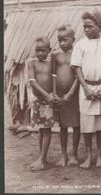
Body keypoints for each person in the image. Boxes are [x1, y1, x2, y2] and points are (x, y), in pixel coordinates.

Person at [71, 10, 101, 169]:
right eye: (84, 27)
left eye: (90, 26)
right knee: (87, 124)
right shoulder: (80, 45)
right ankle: (89, 155)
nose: (86, 29)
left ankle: (100, 155)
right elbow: (77, 68)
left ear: (100, 27)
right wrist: (86, 88)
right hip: (86, 89)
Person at [52, 25, 80, 167]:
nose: (61, 43)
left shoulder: (77, 53)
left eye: (65, 40)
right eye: (59, 40)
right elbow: (53, 76)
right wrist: (55, 93)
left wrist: (70, 93)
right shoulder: (55, 55)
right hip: (60, 97)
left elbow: (78, 76)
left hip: (74, 96)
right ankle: (63, 156)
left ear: (73, 39)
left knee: (76, 125)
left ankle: (74, 154)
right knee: (63, 126)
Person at [28, 37, 56, 171]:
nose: (39, 53)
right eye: (37, 50)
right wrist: (46, 95)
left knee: (46, 130)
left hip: (48, 101)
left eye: (42, 51)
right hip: (39, 100)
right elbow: (32, 81)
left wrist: (52, 95)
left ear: (49, 50)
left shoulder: (51, 63)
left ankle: (42, 159)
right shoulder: (32, 63)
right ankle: (42, 157)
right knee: (41, 129)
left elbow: (55, 79)